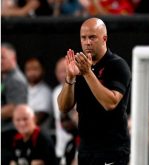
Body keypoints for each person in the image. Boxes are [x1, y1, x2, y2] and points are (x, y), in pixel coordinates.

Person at [58, 17, 131, 165]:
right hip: (86, 147)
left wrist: (87, 74)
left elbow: (110, 103)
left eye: (92, 37)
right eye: (83, 38)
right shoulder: (80, 67)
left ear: (104, 38)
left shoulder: (117, 65)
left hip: (112, 148)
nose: (87, 42)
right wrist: (70, 77)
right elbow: (63, 107)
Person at [1, 43, 28, 165]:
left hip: (10, 134)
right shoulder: (5, 77)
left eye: (3, 57)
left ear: (13, 58)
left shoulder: (16, 80)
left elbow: (15, 108)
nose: (0, 61)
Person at [52, 57, 74, 164]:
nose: (62, 74)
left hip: (78, 145)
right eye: (59, 71)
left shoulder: (80, 89)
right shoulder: (55, 92)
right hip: (61, 148)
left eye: (64, 70)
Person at [24, 57, 53, 131]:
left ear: (43, 71)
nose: (31, 73)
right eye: (29, 69)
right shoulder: (23, 88)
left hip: (39, 136)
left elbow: (40, 117)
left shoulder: (46, 92)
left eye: (35, 69)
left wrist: (22, 127)